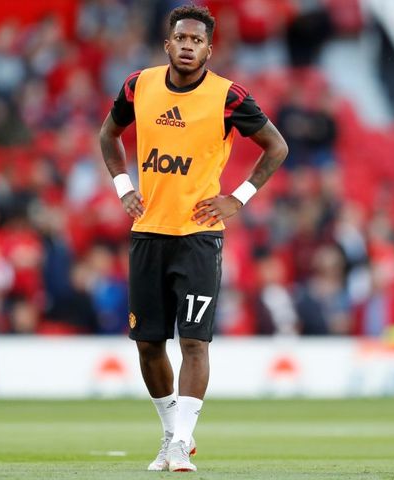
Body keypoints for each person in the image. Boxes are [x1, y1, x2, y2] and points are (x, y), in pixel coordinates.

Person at [98, 5, 288, 472]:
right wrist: (123, 186)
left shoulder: (228, 96)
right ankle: (171, 433)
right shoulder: (138, 85)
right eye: (181, 38)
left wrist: (238, 198)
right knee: (148, 344)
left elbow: (277, 146)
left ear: (209, 49)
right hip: (148, 233)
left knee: (194, 343)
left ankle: (182, 442)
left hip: (199, 237)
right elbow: (109, 135)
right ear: (167, 44)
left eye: (197, 40)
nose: (188, 46)